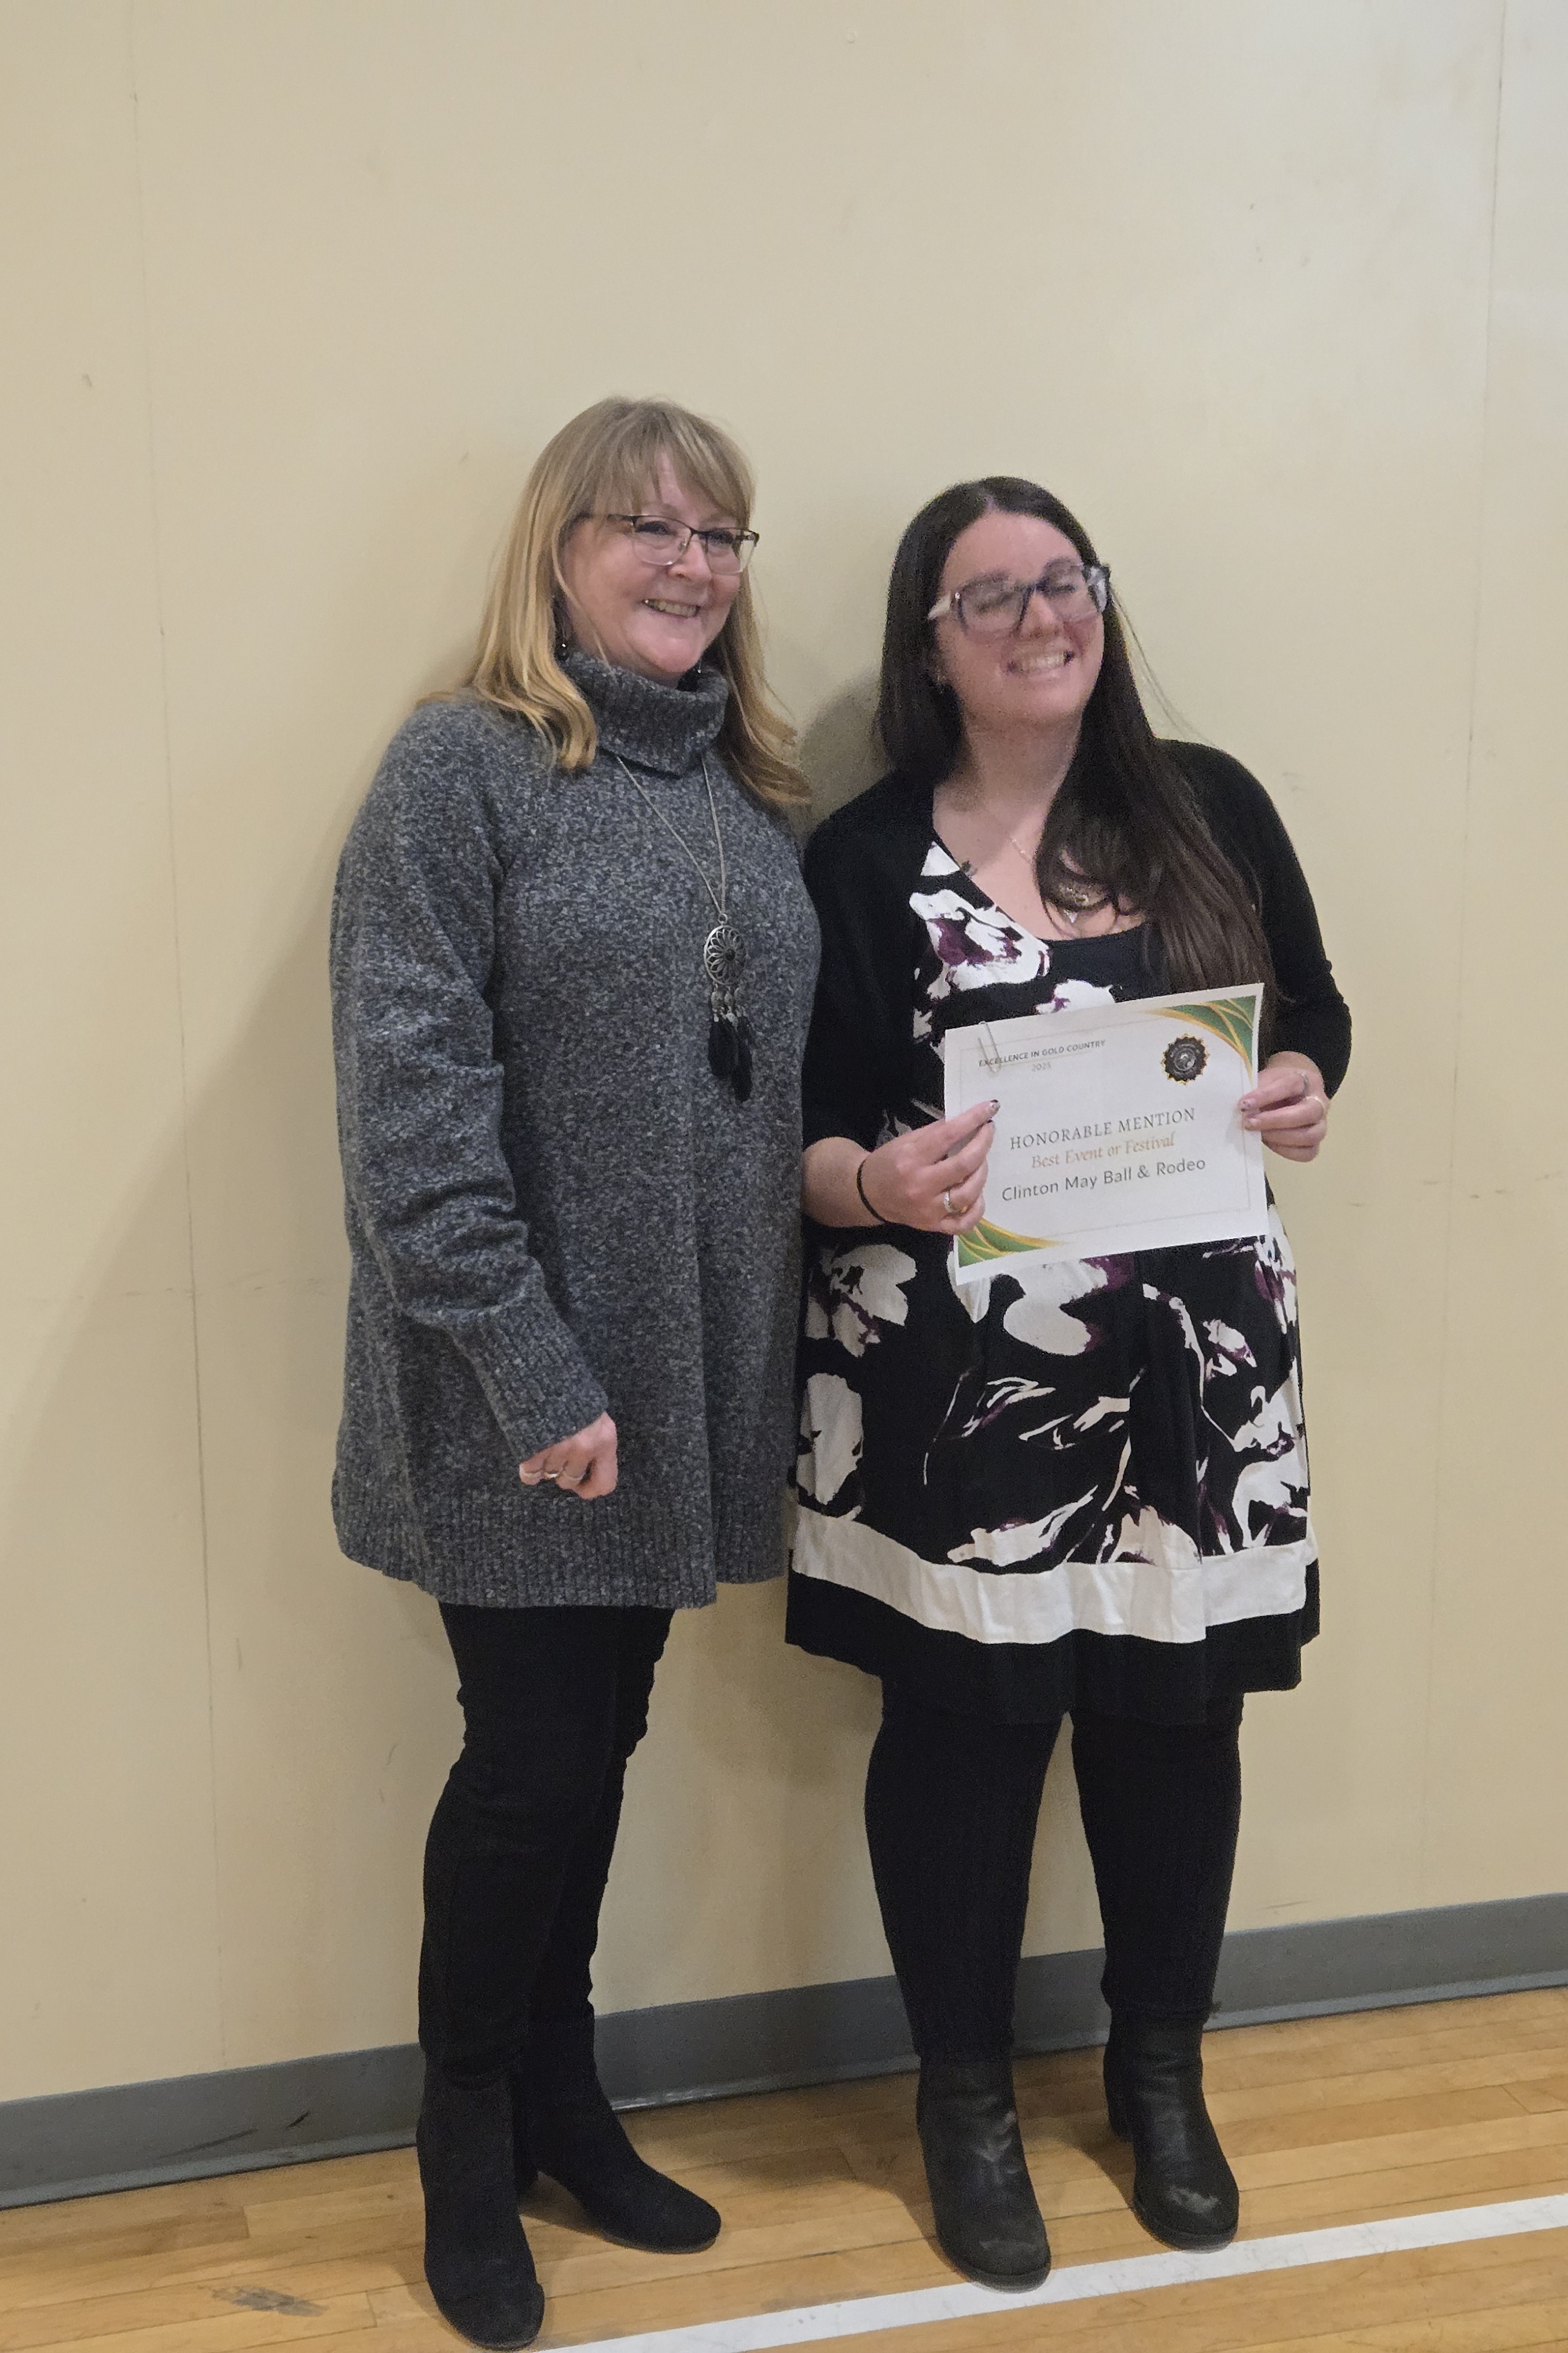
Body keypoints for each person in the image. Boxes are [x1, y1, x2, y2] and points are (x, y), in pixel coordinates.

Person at [789, 478, 1349, 2290]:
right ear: (929, 646)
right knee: (962, 1741)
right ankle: (964, 2106)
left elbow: (1314, 1019)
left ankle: (1158, 2077)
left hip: (1198, 1383)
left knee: (1180, 1731)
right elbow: (792, 1130)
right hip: (959, 1390)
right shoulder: (865, 860)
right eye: (993, 594)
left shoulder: (1209, 809)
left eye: (1067, 580)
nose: (1045, 616)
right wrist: (878, 1181)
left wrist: (1303, 1093)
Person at [329, 398, 819, 2350]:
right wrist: (537, 1372)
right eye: (651, 527)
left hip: (681, 1386)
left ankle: (561, 2096)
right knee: (531, 1772)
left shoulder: (745, 800)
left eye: (723, 535)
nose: (693, 563)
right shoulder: (463, 769)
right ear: (560, 548)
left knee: (593, 1746)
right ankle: (466, 2134)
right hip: (514, 1388)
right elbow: (412, 1112)